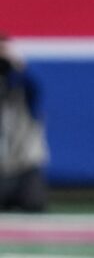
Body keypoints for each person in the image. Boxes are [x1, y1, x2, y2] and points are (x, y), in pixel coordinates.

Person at [0, 35, 49, 212]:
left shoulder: (23, 86)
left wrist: (17, 64)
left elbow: (34, 87)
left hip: (23, 165)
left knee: (34, 204)